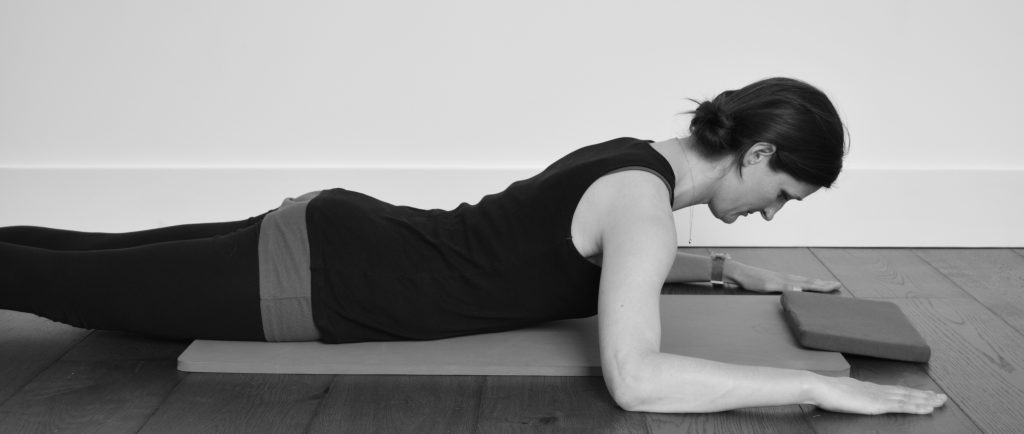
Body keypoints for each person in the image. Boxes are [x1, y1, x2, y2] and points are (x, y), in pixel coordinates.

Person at [0, 77, 946, 415]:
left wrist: (729, 268)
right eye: (781, 197)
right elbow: (639, 382)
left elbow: (570, 251)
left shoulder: (635, 162)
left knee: (63, 253)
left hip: (340, 234)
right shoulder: (646, 215)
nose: (773, 215)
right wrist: (815, 387)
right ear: (759, 154)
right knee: (53, 282)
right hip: (315, 281)